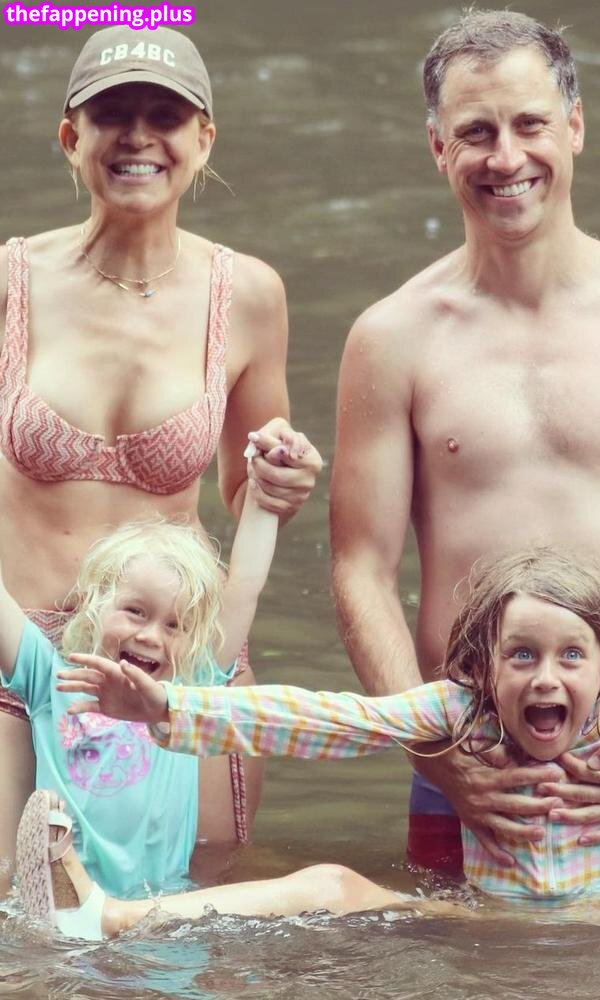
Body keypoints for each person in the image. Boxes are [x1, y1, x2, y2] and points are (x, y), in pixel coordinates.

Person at [0, 24, 321, 893]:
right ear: (71, 136)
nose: (138, 136)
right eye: (113, 115)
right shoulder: (10, 282)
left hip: (180, 671)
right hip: (20, 669)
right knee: (24, 927)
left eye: (165, 116)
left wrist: (280, 481)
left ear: (203, 138)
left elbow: (246, 488)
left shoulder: (247, 295)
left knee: (195, 912)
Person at [329, 8, 600, 870]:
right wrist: (434, 753)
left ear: (575, 126)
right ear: (439, 147)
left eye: (530, 124)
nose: (506, 158)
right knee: (453, 949)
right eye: (476, 132)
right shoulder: (392, 337)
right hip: (464, 752)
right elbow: (361, 568)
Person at [25, 548, 600, 938]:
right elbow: (325, 718)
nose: (545, 678)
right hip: (491, 922)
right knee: (331, 884)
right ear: (485, 669)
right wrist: (168, 704)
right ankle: (105, 918)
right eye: (522, 655)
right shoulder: (462, 711)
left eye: (572, 655)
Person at [2, 490, 279, 899]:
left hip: (161, 904)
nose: (150, 636)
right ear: (94, 602)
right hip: (66, 905)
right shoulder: (51, 678)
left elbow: (246, 585)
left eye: (174, 626)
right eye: (135, 611)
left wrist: (261, 497)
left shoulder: (188, 689)